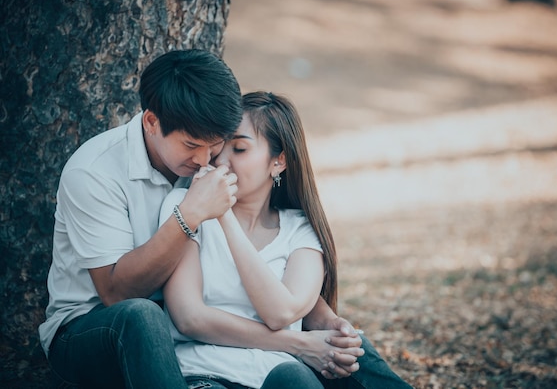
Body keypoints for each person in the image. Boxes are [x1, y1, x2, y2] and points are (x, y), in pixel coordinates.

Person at [38, 49, 365, 389]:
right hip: (91, 329)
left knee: (349, 348)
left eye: (216, 145)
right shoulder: (94, 172)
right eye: (191, 145)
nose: (205, 159)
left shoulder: (200, 164)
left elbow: (278, 270)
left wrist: (323, 319)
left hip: (178, 330)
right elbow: (117, 294)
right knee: (142, 316)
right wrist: (190, 214)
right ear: (152, 123)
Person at [161, 91, 413, 389]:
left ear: (278, 162)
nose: (221, 162)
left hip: (282, 373)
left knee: (354, 349)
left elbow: (280, 311)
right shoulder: (187, 205)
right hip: (206, 373)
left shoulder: (300, 230)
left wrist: (334, 335)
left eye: (239, 149)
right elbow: (189, 318)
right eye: (219, 147)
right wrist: (222, 214)